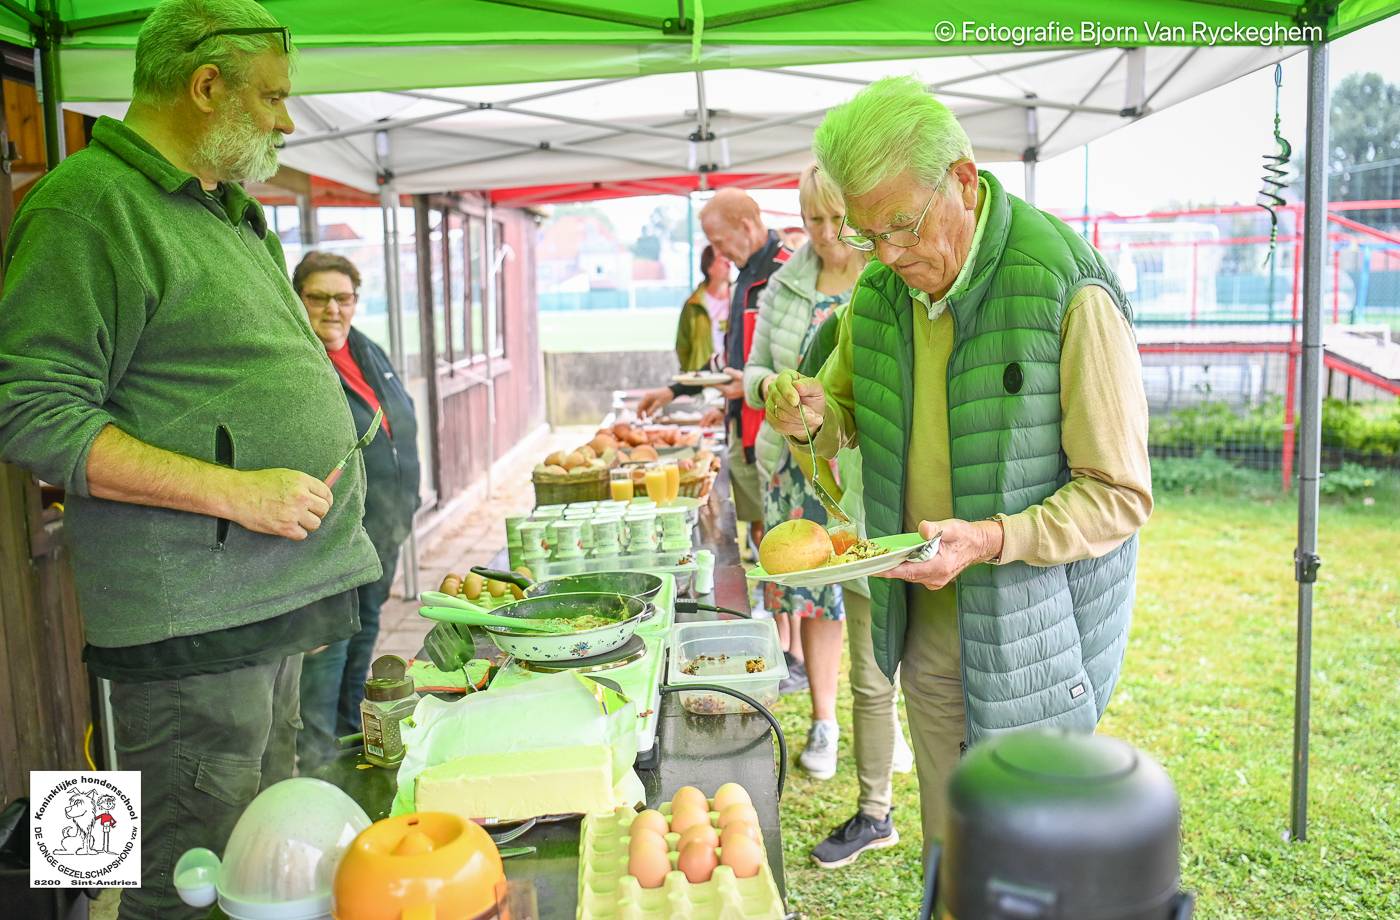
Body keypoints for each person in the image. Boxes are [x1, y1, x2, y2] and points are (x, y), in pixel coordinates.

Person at [0, 3, 381, 917]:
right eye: (274, 98)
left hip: (267, 609)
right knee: (182, 882)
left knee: (264, 866)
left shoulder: (227, 210)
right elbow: (25, 406)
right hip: (183, 639)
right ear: (206, 87)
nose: (290, 122)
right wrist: (235, 492)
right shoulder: (86, 203)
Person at [765, 76, 1152, 857]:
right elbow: (837, 419)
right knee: (951, 850)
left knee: (1025, 861)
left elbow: (1119, 495)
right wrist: (809, 413)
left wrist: (988, 538)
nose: (892, 256)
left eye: (904, 226)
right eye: (869, 235)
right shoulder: (875, 296)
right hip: (926, 630)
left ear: (965, 182)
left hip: (1036, 636)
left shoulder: (1064, 286)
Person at [742, 165, 862, 774]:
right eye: (814, 219)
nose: (825, 232)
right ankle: (824, 721)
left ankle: (880, 718)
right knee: (813, 597)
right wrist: (772, 385)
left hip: (860, 466)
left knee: (874, 594)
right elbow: (751, 371)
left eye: (838, 219)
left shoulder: (885, 277)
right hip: (793, 468)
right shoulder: (785, 286)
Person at [293, 252, 422, 773]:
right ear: (297, 299)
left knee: (364, 631)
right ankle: (319, 761)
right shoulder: (298, 362)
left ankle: (350, 745)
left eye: (342, 297)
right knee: (326, 648)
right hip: (331, 542)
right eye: (318, 297)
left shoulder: (365, 350)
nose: (331, 309)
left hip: (380, 531)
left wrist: (403, 508)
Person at [638, 189, 791, 554]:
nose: (718, 254)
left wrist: (753, 385)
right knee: (762, 531)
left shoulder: (784, 274)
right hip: (743, 427)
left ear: (745, 225)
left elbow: (798, 361)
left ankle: (790, 609)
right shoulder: (743, 279)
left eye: (720, 243)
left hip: (775, 433)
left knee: (785, 534)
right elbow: (729, 360)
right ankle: (776, 607)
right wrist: (673, 390)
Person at [675, 245, 731, 372]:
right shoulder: (692, 305)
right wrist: (693, 374)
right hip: (702, 377)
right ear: (709, 267)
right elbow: (683, 346)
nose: (728, 263)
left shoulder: (739, 298)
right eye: (722, 259)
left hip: (731, 374)